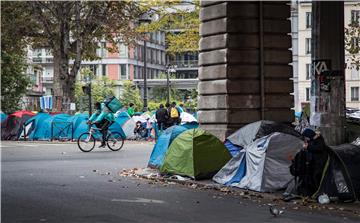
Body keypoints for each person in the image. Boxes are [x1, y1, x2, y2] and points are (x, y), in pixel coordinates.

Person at [290, 128, 330, 196]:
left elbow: (318, 148)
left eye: (306, 137)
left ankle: (317, 193)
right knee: (312, 178)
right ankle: (311, 193)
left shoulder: (319, 140)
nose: (306, 139)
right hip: (313, 164)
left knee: (317, 178)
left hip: (319, 164)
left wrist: (308, 147)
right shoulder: (312, 140)